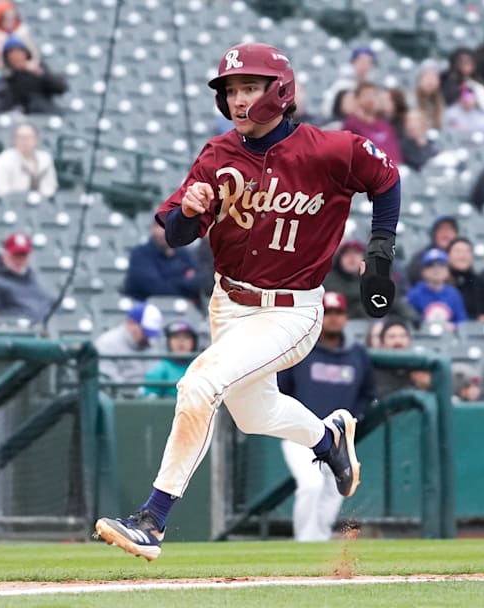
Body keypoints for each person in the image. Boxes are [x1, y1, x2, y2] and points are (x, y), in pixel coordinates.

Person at [94, 42, 401, 561]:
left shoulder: (330, 149)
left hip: (292, 308)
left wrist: (379, 252)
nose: (238, 98)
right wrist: (189, 212)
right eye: (231, 89)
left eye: (249, 87)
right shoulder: (217, 156)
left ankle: (153, 518)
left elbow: (386, 178)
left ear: (279, 90)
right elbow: (176, 234)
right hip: (229, 304)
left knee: (198, 385)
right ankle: (328, 440)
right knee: (255, 413)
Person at [277, 292, 374, 542]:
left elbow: (368, 392)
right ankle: (304, 541)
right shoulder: (301, 349)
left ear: (346, 317)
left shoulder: (357, 354)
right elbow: (281, 388)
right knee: (311, 485)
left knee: (334, 490)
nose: (333, 318)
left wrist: (357, 417)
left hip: (338, 436)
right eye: (328, 313)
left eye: (338, 313)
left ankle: (317, 539)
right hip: (300, 434)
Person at [322, 240, 415, 322]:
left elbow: (394, 300)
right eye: (347, 254)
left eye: (356, 254)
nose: (352, 258)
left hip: (377, 322)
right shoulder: (328, 279)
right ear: (339, 259)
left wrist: (411, 316)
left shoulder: (374, 276)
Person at [0, 232, 54, 322]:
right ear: (4, 255)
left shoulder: (35, 280)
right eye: (15, 255)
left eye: (23, 255)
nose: (19, 260)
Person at [94, 303, 163, 397]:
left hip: (151, 399)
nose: (147, 337)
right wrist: (138, 393)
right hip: (119, 401)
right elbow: (107, 380)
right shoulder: (107, 343)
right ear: (131, 323)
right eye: (144, 331)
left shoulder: (151, 341)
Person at [123, 220, 201, 303]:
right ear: (152, 229)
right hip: (146, 309)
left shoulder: (184, 253)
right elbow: (155, 288)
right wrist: (184, 282)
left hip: (183, 309)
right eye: (161, 226)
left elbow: (199, 282)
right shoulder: (140, 254)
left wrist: (167, 280)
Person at [0, 123, 59, 198]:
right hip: (12, 203)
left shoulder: (45, 159)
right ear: (14, 140)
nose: (24, 141)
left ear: (36, 140)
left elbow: (51, 186)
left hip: (42, 203)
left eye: (29, 137)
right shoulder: (4, 159)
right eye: (20, 137)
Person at [1, 37, 68, 115]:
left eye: (18, 52)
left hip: (44, 113)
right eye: (11, 54)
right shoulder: (8, 78)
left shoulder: (39, 69)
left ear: (26, 54)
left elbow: (61, 88)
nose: (16, 56)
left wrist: (39, 73)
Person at [341, 82, 403, 165]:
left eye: (374, 95)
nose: (370, 99)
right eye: (366, 95)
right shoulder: (351, 126)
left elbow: (396, 156)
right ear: (357, 99)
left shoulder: (386, 126)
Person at [407, 249, 468, 329]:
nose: (436, 269)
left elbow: (462, 323)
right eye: (431, 265)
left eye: (441, 265)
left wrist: (453, 327)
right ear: (423, 271)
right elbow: (409, 322)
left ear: (447, 271)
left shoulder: (454, 295)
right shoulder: (414, 294)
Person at [447, 237, 484, 322]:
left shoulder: (479, 282)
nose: (462, 255)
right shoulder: (441, 281)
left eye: (467, 251)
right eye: (457, 251)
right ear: (448, 255)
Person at [144, 320, 198, 399]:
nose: (181, 341)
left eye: (186, 337)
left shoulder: (202, 368)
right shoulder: (159, 370)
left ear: (194, 342)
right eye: (176, 337)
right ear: (168, 342)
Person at [321, 46, 376, 120]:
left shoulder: (372, 85)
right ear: (354, 62)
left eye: (369, 62)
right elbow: (327, 108)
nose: (365, 65)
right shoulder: (341, 84)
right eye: (362, 61)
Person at [405, 216, 459, 286]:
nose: (446, 233)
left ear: (456, 235)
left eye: (450, 229)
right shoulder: (421, 257)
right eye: (441, 229)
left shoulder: (462, 256)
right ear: (434, 234)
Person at [411, 59, 445, 131]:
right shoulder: (410, 99)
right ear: (419, 79)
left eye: (434, 78)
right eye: (427, 77)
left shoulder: (441, 102)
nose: (430, 82)